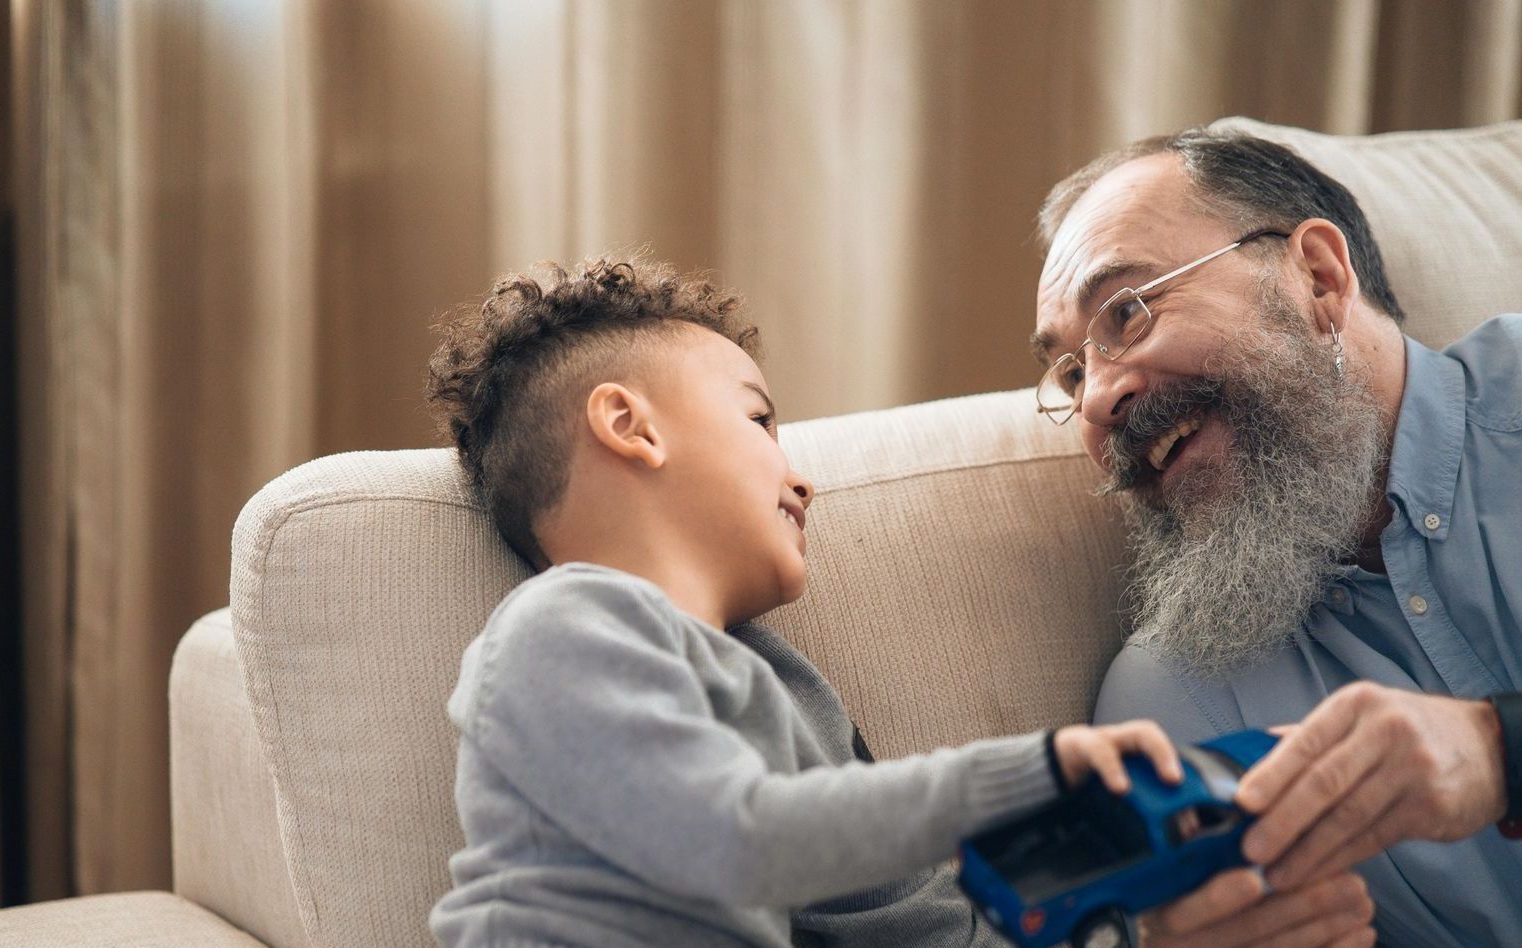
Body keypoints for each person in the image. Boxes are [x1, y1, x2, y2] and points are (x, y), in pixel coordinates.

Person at [422, 256, 1245, 947]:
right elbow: (739, 840)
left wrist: (1140, 919)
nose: (803, 478)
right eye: (759, 419)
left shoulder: (781, 685)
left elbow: (914, 924)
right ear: (631, 427)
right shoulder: (564, 626)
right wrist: (1027, 775)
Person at [1029, 127, 1522, 946]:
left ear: (1319, 278)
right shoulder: (1177, 702)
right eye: (1071, 373)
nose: (1095, 402)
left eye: (1129, 311)